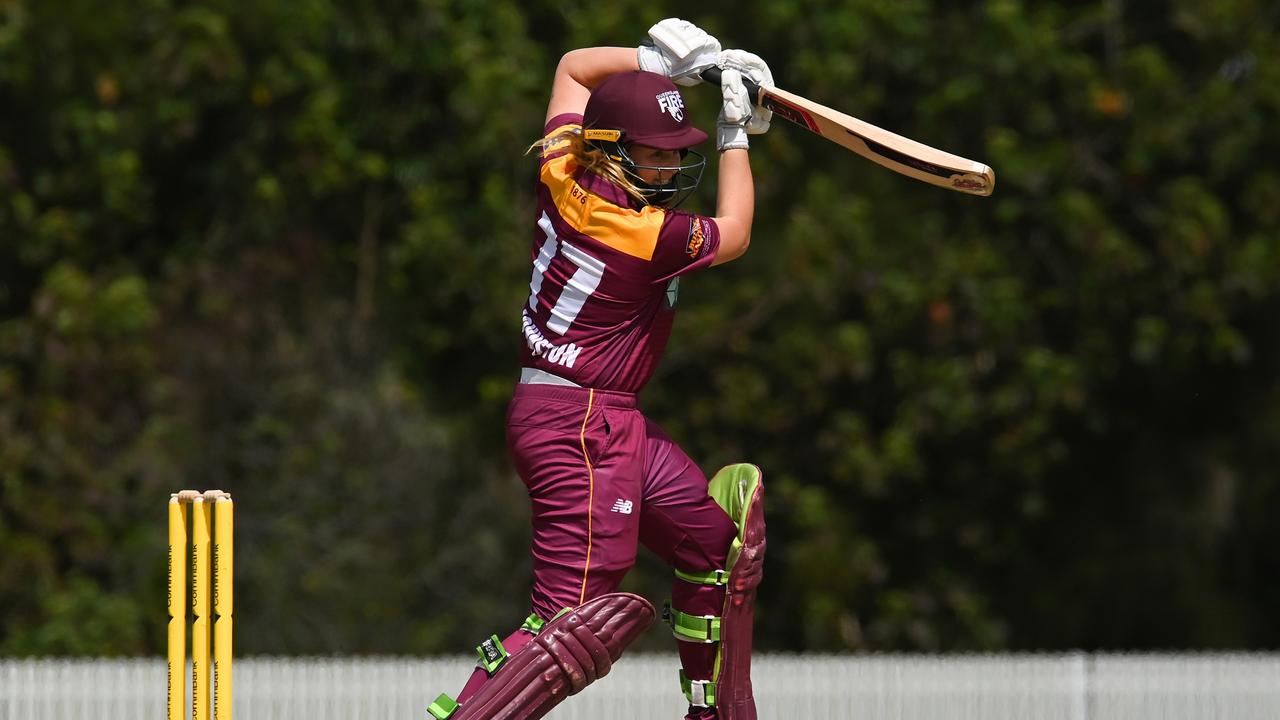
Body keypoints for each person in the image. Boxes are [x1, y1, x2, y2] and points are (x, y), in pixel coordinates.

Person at [426, 19, 773, 720]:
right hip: (578, 427)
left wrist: (659, 65)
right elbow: (735, 231)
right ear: (615, 154)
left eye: (681, 153)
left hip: (598, 418)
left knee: (715, 546)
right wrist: (737, 133)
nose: (673, 169)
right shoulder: (642, 236)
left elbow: (573, 68)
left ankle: (713, 711)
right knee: (571, 624)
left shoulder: (561, 173)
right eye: (658, 154)